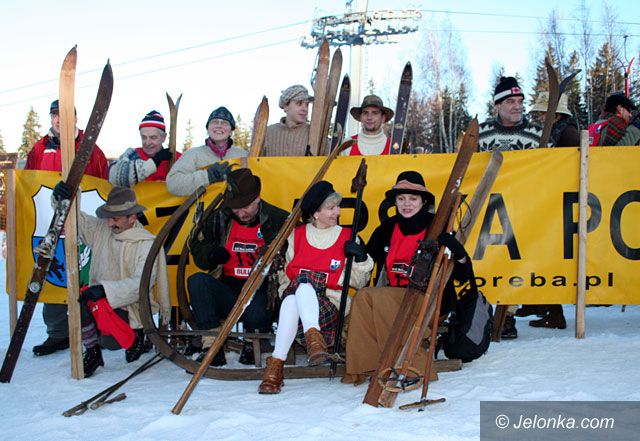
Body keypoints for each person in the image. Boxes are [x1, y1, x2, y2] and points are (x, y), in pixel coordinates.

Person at [343, 171, 474, 385]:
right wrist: (359, 255)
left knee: (371, 297)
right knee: (364, 299)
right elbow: (368, 262)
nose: (406, 204)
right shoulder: (387, 228)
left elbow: (463, 276)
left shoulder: (438, 227)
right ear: (394, 202)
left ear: (423, 201)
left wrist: (458, 252)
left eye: (413, 199)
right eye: (401, 198)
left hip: (429, 301)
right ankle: (365, 365)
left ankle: (413, 367)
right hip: (394, 298)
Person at [259, 181, 373, 394]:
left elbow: (359, 282)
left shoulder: (348, 237)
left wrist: (360, 257)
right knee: (297, 292)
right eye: (331, 208)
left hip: (331, 305)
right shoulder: (296, 235)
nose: (338, 212)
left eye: (337, 206)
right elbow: (286, 276)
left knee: (301, 286)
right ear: (315, 214)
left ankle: (275, 368)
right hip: (300, 310)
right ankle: (313, 342)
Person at [51, 184, 171, 377]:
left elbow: (140, 284)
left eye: (115, 218)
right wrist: (61, 199)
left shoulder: (147, 243)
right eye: (108, 217)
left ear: (132, 217)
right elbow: (76, 220)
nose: (109, 223)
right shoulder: (101, 229)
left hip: (130, 308)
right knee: (78, 302)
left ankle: (137, 332)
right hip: (100, 302)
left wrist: (104, 290)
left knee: (111, 342)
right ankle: (93, 352)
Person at [27, 99, 109, 357]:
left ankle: (95, 329)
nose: (60, 119)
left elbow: (102, 183)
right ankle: (58, 333)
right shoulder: (40, 148)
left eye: (64, 114)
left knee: (86, 277)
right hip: (49, 225)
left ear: (75, 118)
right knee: (53, 277)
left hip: (83, 223)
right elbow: (29, 184)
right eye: (55, 115)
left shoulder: (90, 148)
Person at [187, 168, 289, 366]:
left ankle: (254, 339)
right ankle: (212, 344)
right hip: (229, 289)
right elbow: (197, 246)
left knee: (258, 308)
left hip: (261, 291)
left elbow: (297, 251)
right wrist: (210, 253)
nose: (241, 213)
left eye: (246, 207)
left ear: (257, 198)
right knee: (197, 282)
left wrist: (278, 259)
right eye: (236, 208)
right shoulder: (220, 218)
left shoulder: (278, 219)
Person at [166, 106, 246, 196]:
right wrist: (208, 176)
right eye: (215, 122)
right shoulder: (193, 154)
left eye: (225, 123)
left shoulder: (243, 155)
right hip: (204, 205)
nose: (219, 125)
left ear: (231, 131)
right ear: (208, 129)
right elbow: (173, 184)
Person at [108, 110, 181, 186]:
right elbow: (112, 177)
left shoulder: (177, 159)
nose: (147, 143)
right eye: (144, 137)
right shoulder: (132, 154)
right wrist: (154, 162)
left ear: (163, 138)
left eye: (153, 137)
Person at [478, 76, 543, 151]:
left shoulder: (539, 134)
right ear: (498, 106)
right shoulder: (480, 132)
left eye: (520, 102)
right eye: (511, 102)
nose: (517, 107)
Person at [262, 85, 313, 157]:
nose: (305, 109)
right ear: (286, 106)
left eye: (307, 105)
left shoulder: (314, 133)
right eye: (299, 103)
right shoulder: (267, 133)